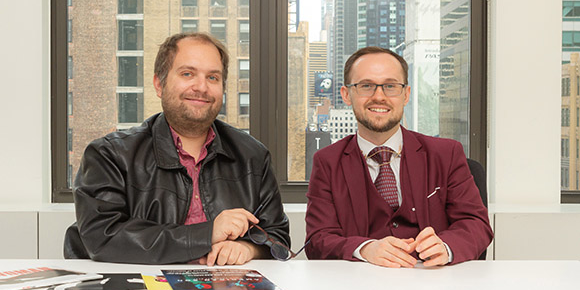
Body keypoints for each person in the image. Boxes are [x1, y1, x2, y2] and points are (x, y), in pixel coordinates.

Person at [64, 32, 290, 265]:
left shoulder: (253, 156)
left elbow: (278, 238)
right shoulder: (109, 155)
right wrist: (207, 233)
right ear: (159, 84)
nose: (201, 87)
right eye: (187, 74)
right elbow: (104, 239)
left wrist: (248, 248)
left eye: (213, 77)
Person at [305, 47, 493, 267]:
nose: (379, 97)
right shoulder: (327, 162)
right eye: (366, 86)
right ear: (346, 95)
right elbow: (317, 240)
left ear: (406, 94)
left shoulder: (446, 154)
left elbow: (477, 224)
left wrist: (446, 246)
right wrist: (364, 249)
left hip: (437, 288)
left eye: (390, 86)